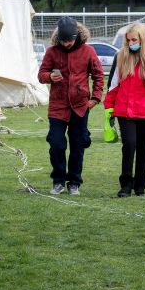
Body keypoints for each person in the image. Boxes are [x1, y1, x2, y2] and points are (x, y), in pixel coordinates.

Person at [38, 17, 104, 196]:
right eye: (64, 40)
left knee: (78, 145)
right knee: (57, 145)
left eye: (70, 40)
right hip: (57, 107)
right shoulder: (52, 52)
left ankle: (74, 182)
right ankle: (58, 181)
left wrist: (95, 99)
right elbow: (41, 74)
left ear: (77, 36)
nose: (67, 43)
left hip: (81, 106)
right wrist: (49, 77)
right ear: (58, 37)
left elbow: (98, 76)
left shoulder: (88, 51)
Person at [104, 24, 145, 198]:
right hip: (125, 111)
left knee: (143, 148)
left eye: (134, 40)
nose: (131, 43)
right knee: (129, 145)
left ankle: (140, 186)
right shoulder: (121, 57)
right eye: (128, 40)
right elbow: (114, 84)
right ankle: (125, 185)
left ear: (142, 39)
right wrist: (109, 107)